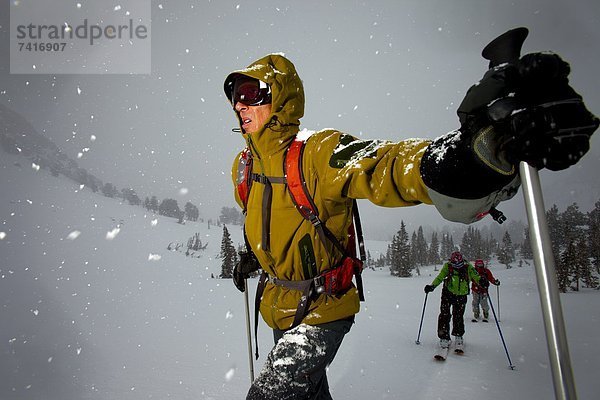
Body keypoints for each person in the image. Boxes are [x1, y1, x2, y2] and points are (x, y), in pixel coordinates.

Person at [224, 48, 597, 399]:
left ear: (282, 98)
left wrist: (462, 157)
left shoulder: (316, 152)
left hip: (323, 306)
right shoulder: (244, 167)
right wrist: (255, 258)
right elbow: (272, 223)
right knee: (309, 393)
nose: (240, 103)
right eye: (235, 95)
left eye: (251, 91)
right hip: (278, 305)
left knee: (273, 392)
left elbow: (385, 164)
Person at [424, 252, 483, 349]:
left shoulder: (468, 267)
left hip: (461, 295)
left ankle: (458, 335)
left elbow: (476, 276)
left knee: (458, 315)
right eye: (453, 262)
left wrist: (481, 281)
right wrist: (432, 286)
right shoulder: (448, 266)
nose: (455, 264)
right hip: (448, 293)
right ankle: (444, 337)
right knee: (444, 314)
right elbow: (440, 277)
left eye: (457, 262)